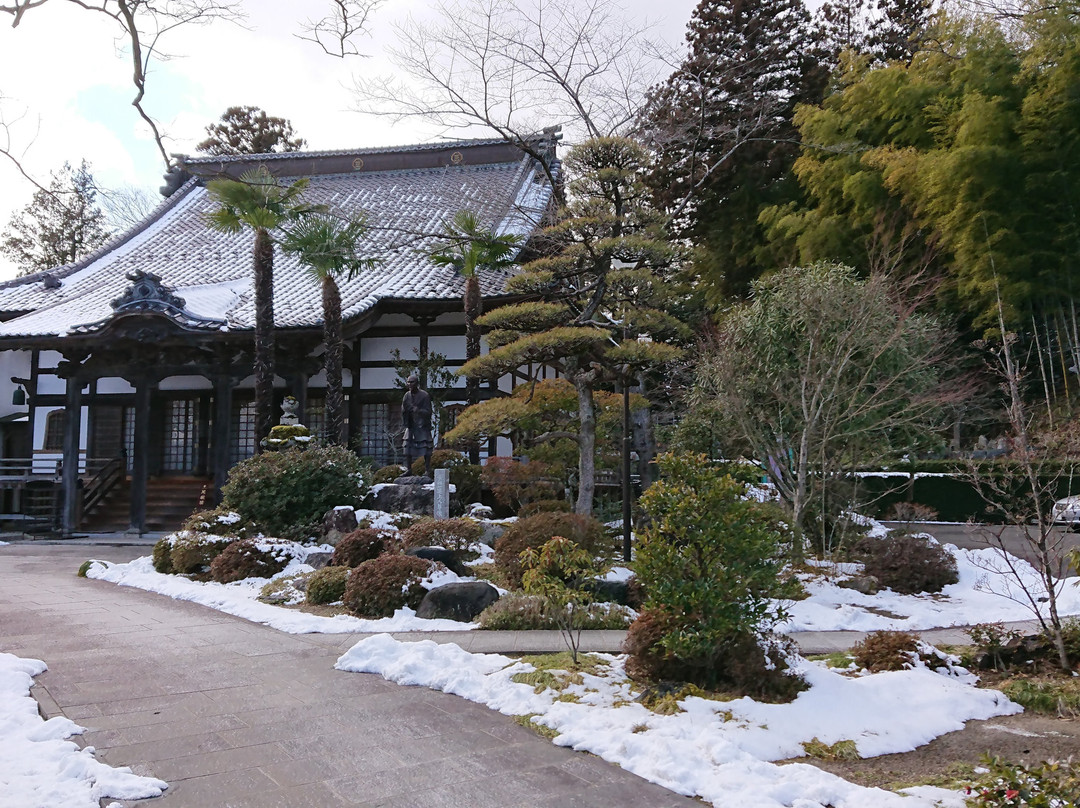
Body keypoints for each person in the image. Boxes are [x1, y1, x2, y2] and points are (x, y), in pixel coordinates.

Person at [401, 373, 433, 477]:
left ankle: (428, 470)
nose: (409, 384)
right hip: (411, 424)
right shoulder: (406, 395)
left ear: (417, 383)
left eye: (412, 382)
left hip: (421, 425)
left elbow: (428, 411)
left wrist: (418, 410)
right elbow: (403, 408)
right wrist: (406, 411)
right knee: (407, 447)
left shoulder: (424, 395)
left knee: (426, 448)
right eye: (408, 382)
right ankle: (409, 469)